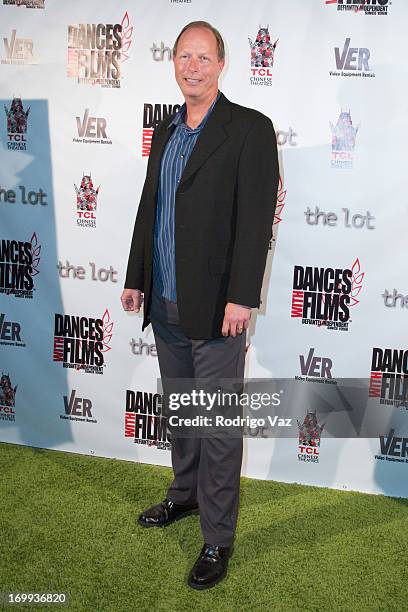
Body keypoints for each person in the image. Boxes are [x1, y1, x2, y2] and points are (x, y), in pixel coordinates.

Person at [121, 20, 279, 590]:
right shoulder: (165, 130)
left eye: (203, 57)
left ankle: (217, 540)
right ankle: (183, 497)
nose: (192, 66)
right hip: (164, 304)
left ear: (221, 64)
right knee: (184, 415)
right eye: (183, 56)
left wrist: (241, 295)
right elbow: (151, 207)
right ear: (174, 64)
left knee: (215, 425)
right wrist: (137, 275)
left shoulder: (250, 130)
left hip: (216, 308)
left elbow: (257, 219)